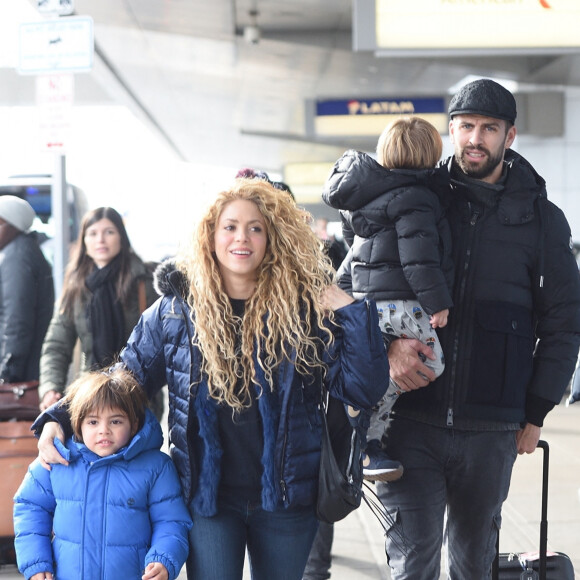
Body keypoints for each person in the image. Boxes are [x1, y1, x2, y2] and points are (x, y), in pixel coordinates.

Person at [33, 178, 390, 580]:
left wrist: (352, 315)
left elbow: (364, 387)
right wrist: (58, 419)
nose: (243, 238)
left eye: (256, 227)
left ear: (274, 237)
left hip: (289, 500)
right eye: (230, 227)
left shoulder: (305, 311)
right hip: (207, 501)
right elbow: (123, 378)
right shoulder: (174, 313)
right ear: (211, 235)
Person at [375, 78, 580, 579]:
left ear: (509, 137)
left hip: (492, 429)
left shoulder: (543, 221)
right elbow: (358, 288)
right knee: (413, 563)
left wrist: (535, 412)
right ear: (450, 130)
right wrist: (386, 351)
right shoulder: (415, 198)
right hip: (411, 417)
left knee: (473, 565)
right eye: (466, 126)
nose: (475, 138)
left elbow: (564, 321)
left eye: (489, 128)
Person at [322, 116, 453, 483]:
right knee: (432, 363)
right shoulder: (417, 198)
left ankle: (366, 441)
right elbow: (419, 258)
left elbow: (356, 246)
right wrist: (437, 303)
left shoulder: (366, 197)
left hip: (370, 304)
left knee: (380, 367)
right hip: (403, 304)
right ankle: (364, 431)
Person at [14, 367, 191, 580]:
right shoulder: (57, 460)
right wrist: (36, 561)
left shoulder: (156, 467)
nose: (103, 430)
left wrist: (163, 558)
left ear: (133, 424)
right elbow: (30, 507)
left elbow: (171, 521)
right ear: (77, 423)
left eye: (115, 421)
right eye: (93, 422)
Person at [38, 207, 161, 416]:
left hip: (138, 396)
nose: (100, 240)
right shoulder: (77, 287)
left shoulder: (143, 282)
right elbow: (57, 345)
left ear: (121, 238)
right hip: (90, 395)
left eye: (109, 232)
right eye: (93, 233)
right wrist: (50, 387)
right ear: (84, 242)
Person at [0, 195, 54, 384]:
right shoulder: (23, 250)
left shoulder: (16, 257)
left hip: (20, 372)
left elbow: (17, 319)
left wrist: (7, 372)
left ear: (14, 226)